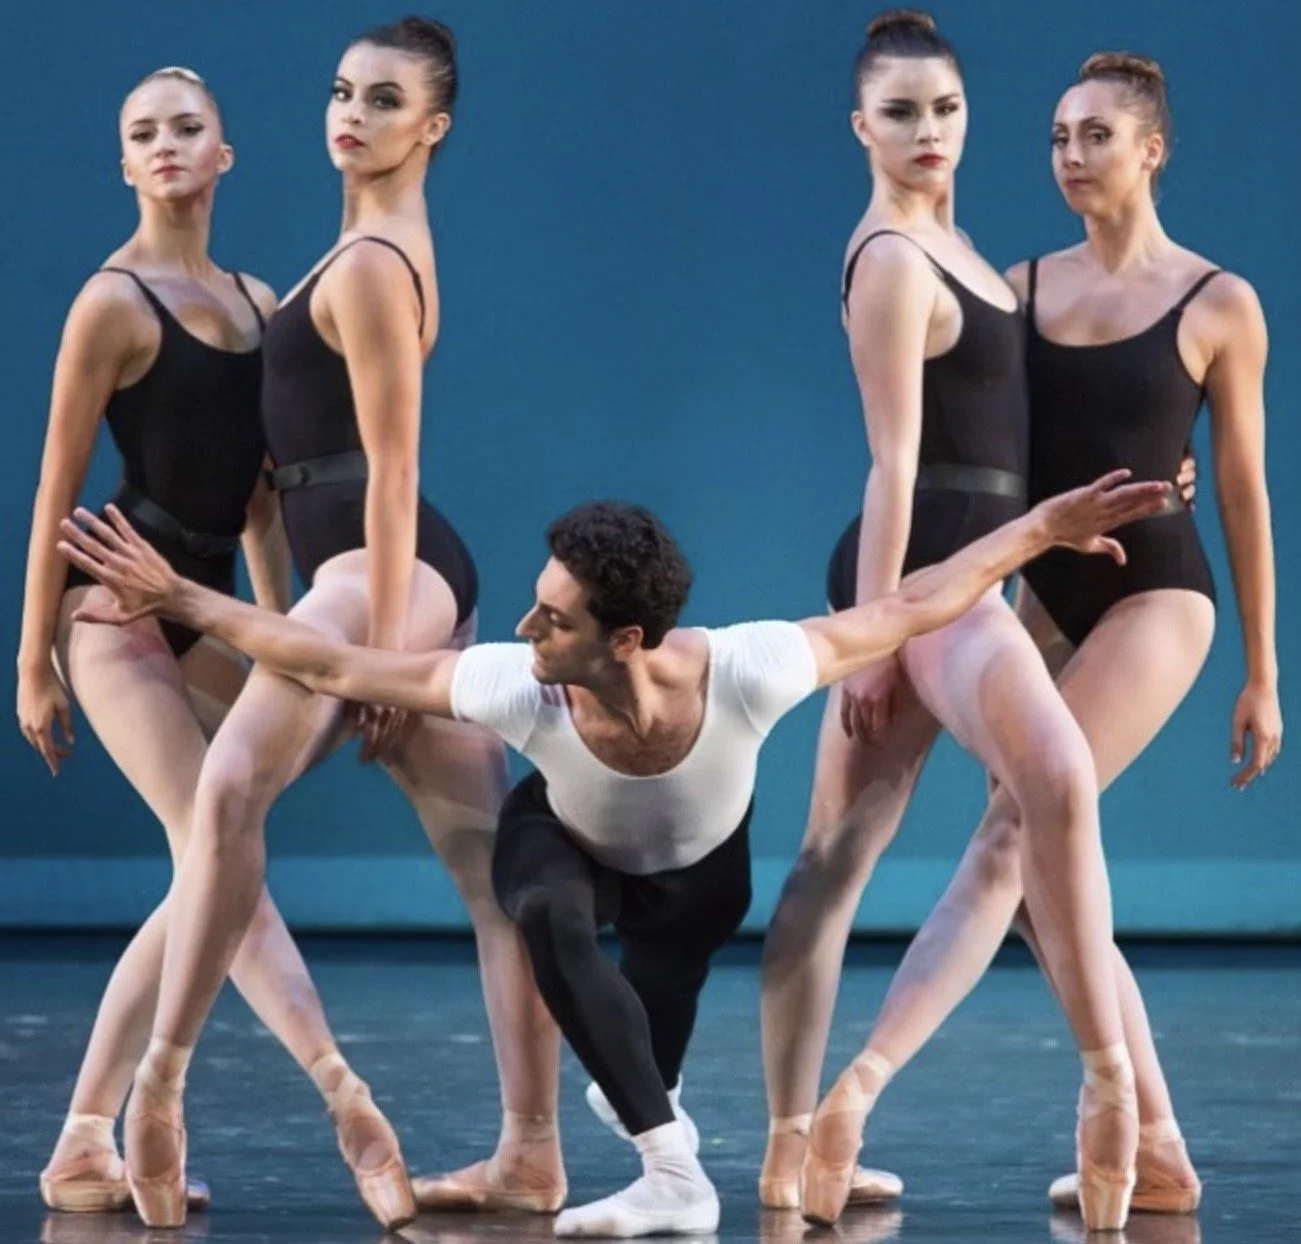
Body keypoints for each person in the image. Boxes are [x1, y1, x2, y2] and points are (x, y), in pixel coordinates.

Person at [59, 471, 1171, 1237]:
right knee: (542, 912)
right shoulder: (515, 680)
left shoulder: (749, 667)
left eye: (554, 619)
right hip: (570, 844)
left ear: (627, 640)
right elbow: (328, 657)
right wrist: (184, 597)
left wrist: (1035, 531)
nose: (527, 632)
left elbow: (914, 600)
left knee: (644, 1047)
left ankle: (649, 1106)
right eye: (534, 611)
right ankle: (673, 1175)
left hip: (693, 877)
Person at [70, 20, 560, 1230]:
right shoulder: (355, 248)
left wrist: (381, 647)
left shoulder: (380, 261)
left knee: (227, 796)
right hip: (366, 575)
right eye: (342, 91)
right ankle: (531, 1152)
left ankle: (162, 1091)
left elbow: (392, 471)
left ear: (430, 129)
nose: (350, 113)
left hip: (379, 567)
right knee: (492, 874)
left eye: (383, 99)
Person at [808, 49, 1279, 1223]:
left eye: (1095, 136)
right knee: (1049, 881)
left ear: (1150, 148)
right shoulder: (1014, 284)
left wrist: (1264, 671)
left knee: (1017, 833)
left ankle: (857, 1089)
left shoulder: (1216, 301)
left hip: (1157, 590)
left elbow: (1240, 493)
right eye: (1057, 138)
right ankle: (1158, 1142)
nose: (1070, 156)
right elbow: (967, 439)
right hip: (1036, 588)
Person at [755, 12, 1156, 1230]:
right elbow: (894, 462)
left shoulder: (958, 241)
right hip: (920, 576)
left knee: (848, 858)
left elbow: (996, 443)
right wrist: (871, 635)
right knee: (879, 848)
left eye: (944, 111)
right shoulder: (886, 255)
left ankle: (814, 1141)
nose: (926, 133)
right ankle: (1092, 1091)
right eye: (899, 114)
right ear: (858, 128)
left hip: (968, 571)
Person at [16, 65, 368, 1217]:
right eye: (141, 134)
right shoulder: (110, 303)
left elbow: (264, 500)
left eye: (185, 129)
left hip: (208, 594)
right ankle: (336, 1085)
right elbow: (55, 489)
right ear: (125, 165)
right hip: (113, 604)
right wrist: (29, 660)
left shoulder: (261, 302)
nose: (164, 145)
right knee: (215, 845)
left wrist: (291, 642)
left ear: (224, 155)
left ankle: (82, 1137)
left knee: (211, 860)